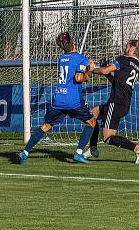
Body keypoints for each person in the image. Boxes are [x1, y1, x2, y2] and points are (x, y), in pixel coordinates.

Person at [18, 31, 96, 165]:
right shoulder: (81, 58)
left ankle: (25, 152)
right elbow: (78, 78)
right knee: (92, 122)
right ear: (73, 42)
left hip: (58, 98)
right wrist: (89, 70)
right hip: (73, 101)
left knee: (46, 126)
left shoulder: (62, 58)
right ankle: (78, 153)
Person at [85, 39, 139, 164]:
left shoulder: (123, 59)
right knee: (93, 113)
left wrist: (92, 69)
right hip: (123, 103)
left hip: (116, 103)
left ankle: (138, 149)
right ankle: (92, 149)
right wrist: (106, 71)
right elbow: (116, 81)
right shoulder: (136, 65)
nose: (124, 48)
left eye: (126, 46)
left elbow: (105, 70)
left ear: (131, 49)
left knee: (108, 137)